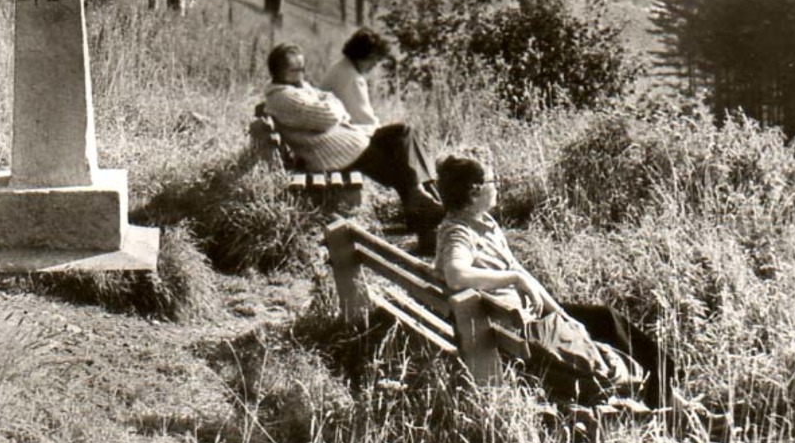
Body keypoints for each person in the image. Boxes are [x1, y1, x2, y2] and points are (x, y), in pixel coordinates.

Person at [434, 151, 673, 408]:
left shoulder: (482, 223)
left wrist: (561, 313)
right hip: (522, 329)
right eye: (493, 181)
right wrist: (513, 279)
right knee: (605, 323)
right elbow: (456, 274)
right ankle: (661, 397)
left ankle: (663, 388)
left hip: (524, 319)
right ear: (474, 191)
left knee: (604, 319)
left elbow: (519, 272)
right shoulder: (459, 232)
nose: (498, 186)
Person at [263, 42, 443, 246]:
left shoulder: (298, 88)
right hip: (336, 155)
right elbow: (329, 114)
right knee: (405, 167)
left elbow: (330, 100)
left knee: (403, 133)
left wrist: (331, 104)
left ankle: (418, 200)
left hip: (351, 144)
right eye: (294, 70)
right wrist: (332, 105)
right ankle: (428, 218)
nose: (301, 75)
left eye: (302, 68)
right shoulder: (283, 98)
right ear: (277, 72)